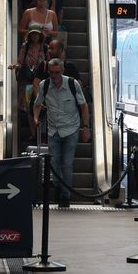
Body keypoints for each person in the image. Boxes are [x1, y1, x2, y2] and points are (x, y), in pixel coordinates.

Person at [33, 58, 89, 208]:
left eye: (57, 73)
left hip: (71, 129)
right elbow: (37, 105)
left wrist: (86, 127)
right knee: (54, 164)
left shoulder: (72, 84)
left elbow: (83, 106)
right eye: (51, 73)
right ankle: (59, 187)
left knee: (67, 164)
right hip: (54, 131)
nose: (54, 76)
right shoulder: (44, 86)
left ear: (62, 71)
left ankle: (65, 196)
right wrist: (36, 118)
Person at [9, 23, 48, 138]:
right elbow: (20, 62)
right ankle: (33, 133)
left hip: (41, 81)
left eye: (37, 34)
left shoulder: (45, 48)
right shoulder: (25, 47)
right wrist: (15, 66)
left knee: (43, 105)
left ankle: (43, 132)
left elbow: (49, 63)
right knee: (29, 107)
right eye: (33, 34)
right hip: (27, 82)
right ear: (29, 35)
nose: (35, 36)